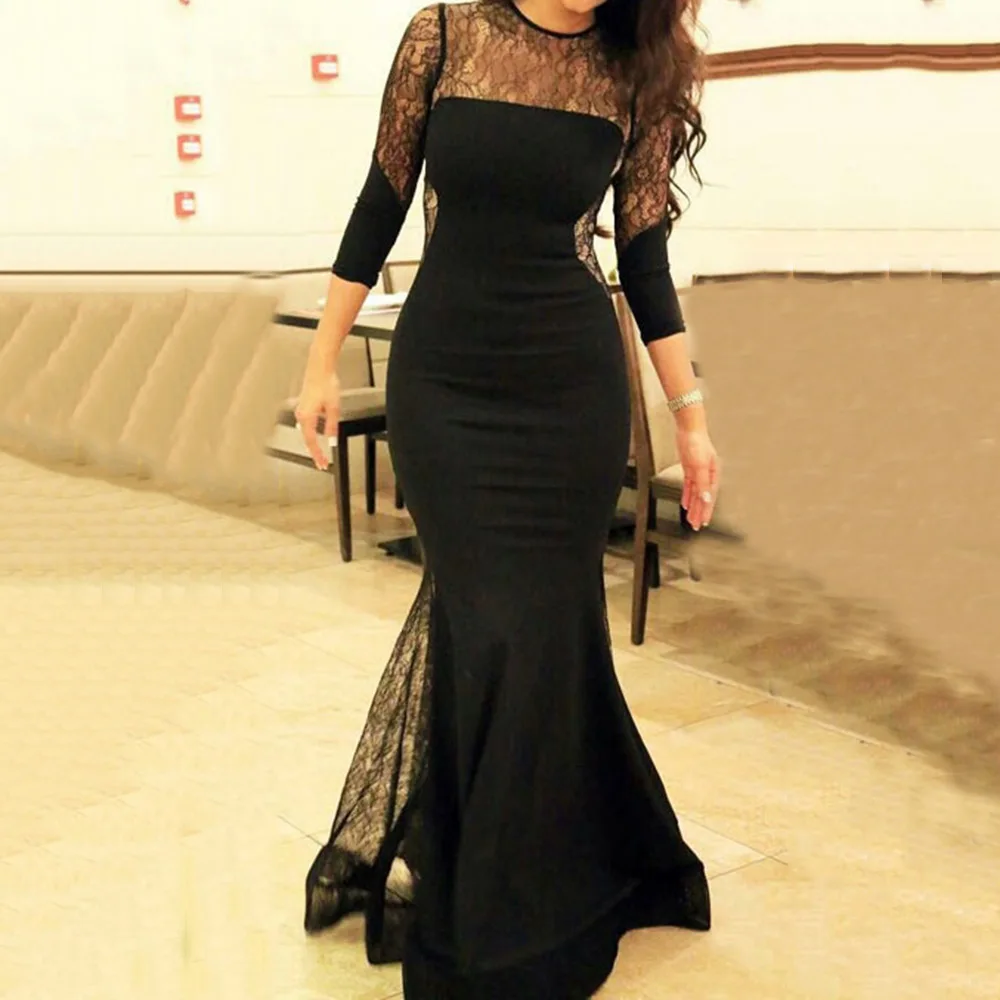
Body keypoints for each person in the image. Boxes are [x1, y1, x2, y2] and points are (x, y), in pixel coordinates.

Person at [295, 1, 719, 996]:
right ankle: (488, 867)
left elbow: (643, 258)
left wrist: (691, 420)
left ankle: (525, 876)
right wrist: (321, 361)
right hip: (445, 381)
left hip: (569, 389)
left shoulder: (637, 70)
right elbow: (380, 199)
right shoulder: (444, 35)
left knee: (544, 631)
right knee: (489, 623)